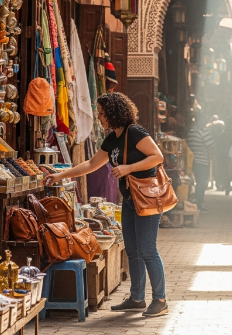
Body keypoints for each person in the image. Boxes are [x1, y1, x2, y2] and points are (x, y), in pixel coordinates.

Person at [44, 92, 168, 317]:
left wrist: (129, 168)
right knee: (132, 250)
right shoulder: (112, 139)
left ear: (113, 113)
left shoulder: (135, 132)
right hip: (130, 200)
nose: (99, 117)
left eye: (102, 113)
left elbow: (157, 156)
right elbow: (92, 164)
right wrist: (60, 176)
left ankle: (160, 299)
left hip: (147, 198)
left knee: (148, 249)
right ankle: (137, 298)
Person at [187, 113, 215, 212]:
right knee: (202, 183)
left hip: (193, 161)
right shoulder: (204, 132)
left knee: (197, 182)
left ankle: (196, 202)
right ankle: (198, 203)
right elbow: (210, 147)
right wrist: (212, 160)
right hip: (203, 161)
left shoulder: (191, 132)